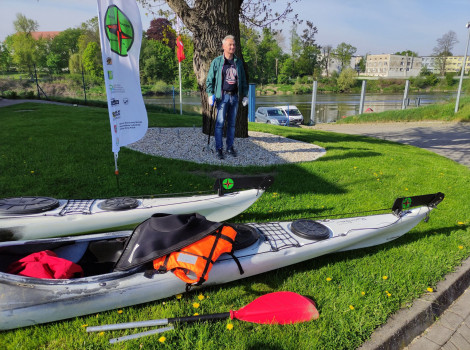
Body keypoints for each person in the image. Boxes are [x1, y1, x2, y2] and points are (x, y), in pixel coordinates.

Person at [206, 35, 249, 160]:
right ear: (223, 46)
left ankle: (229, 147)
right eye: (230, 45)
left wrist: (245, 95)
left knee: (232, 125)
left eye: (234, 45)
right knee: (219, 124)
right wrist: (210, 94)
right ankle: (219, 148)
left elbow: (243, 80)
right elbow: (210, 79)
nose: (232, 47)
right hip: (222, 97)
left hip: (234, 97)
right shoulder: (217, 62)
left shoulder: (238, 63)